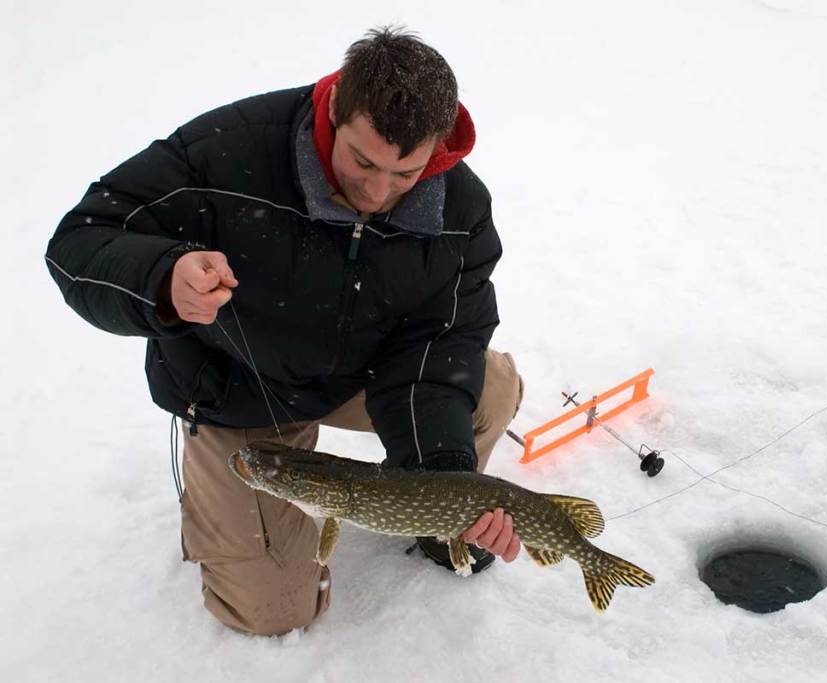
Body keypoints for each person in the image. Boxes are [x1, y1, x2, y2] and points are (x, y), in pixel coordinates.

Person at [45, 26, 524, 636]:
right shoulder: (225, 151)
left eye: (406, 173)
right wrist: (163, 279)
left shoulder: (459, 210)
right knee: (271, 614)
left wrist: (444, 478)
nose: (378, 193)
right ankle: (223, 503)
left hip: (368, 374)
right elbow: (80, 240)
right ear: (333, 108)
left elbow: (442, 341)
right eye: (362, 161)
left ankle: (435, 525)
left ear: (438, 147)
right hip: (243, 389)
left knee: (489, 387)